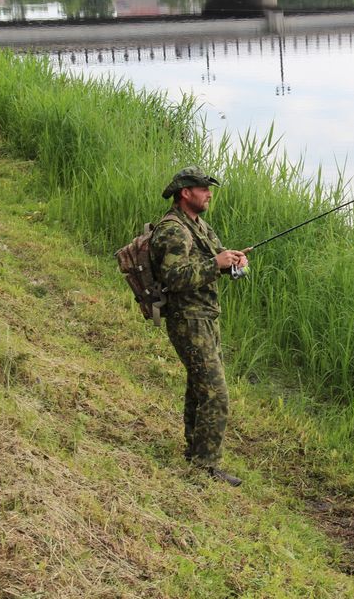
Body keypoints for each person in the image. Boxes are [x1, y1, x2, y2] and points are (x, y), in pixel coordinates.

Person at [149, 166, 248, 486]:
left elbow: (214, 258)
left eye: (209, 188)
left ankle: (195, 453)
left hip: (205, 316)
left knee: (199, 387)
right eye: (203, 188)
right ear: (185, 193)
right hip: (187, 318)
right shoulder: (172, 230)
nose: (209, 193)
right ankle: (206, 464)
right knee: (216, 393)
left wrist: (232, 260)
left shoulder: (199, 225)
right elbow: (173, 278)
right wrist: (214, 264)